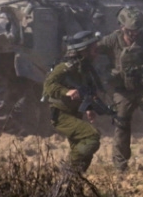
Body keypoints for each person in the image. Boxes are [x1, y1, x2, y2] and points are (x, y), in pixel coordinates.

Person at [97, 6, 143, 173]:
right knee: (122, 123)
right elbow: (94, 51)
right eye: (130, 31)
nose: (134, 34)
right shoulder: (112, 40)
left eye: (136, 31)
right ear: (122, 27)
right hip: (122, 91)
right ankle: (120, 165)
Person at [42, 29, 105, 174]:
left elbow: (86, 89)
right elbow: (48, 85)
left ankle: (72, 180)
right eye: (94, 50)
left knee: (84, 153)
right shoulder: (64, 67)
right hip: (61, 115)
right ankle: (67, 170)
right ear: (83, 51)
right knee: (91, 136)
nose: (97, 53)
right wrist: (66, 92)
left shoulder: (84, 68)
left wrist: (89, 107)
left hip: (75, 113)